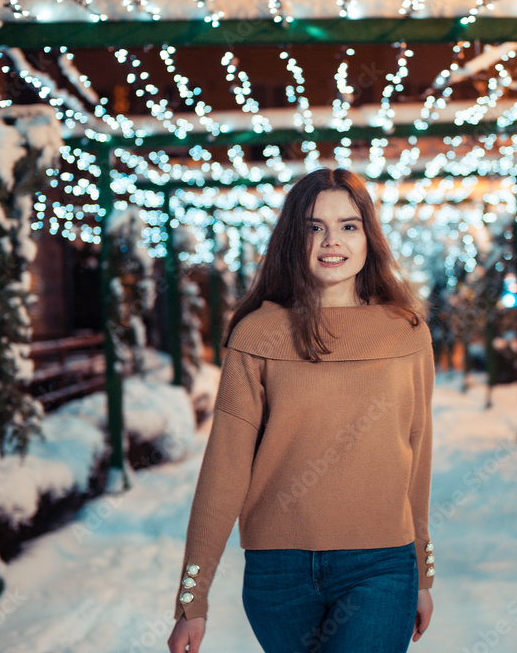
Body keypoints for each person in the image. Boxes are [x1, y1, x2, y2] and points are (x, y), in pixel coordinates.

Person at [167, 168, 436, 653]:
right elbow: (225, 467)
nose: (332, 241)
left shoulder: (406, 332)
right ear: (294, 236)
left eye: (348, 225)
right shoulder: (257, 333)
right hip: (279, 572)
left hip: (380, 567)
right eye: (315, 226)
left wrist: (423, 571)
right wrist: (192, 597)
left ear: (368, 237)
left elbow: (416, 454)